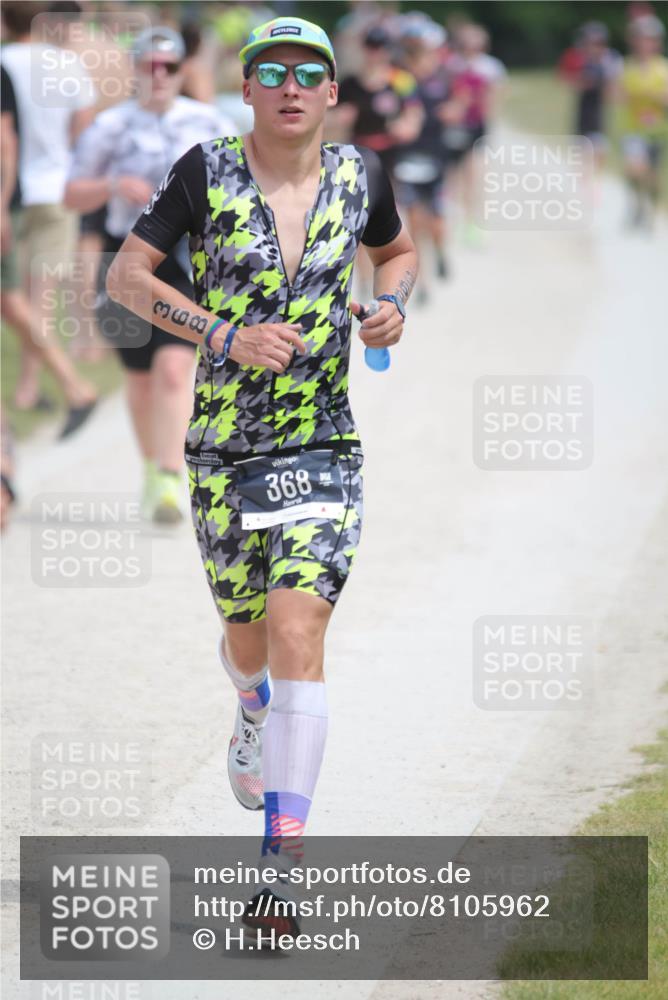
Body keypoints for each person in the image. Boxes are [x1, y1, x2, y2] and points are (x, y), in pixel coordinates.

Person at [106, 15, 417, 936]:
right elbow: (129, 276)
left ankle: (281, 874)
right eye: (269, 71)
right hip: (223, 451)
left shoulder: (364, 177)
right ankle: (249, 707)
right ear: (246, 90)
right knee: (249, 643)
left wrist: (392, 303)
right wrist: (225, 335)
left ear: (330, 92)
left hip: (323, 444)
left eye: (307, 72)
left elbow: (395, 251)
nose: (289, 86)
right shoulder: (206, 170)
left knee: (296, 630)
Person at [65, 27, 234, 523]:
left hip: (184, 262)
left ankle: (168, 472)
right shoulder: (110, 126)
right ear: (135, 70)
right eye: (149, 66)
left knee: (174, 368)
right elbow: (72, 194)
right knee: (138, 380)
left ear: (183, 71)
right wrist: (113, 184)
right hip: (124, 261)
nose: (158, 75)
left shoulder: (207, 121)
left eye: (169, 66)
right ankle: (151, 469)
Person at [1, 0, 96, 412]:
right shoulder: (67, 64)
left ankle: (29, 388)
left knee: (15, 297)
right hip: (57, 187)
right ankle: (29, 386)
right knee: (40, 297)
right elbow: (85, 128)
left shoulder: (4, 61)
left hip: (11, 193)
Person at [617, 13, 668, 229]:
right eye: (640, 39)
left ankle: (649, 209)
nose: (644, 44)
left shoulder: (663, 68)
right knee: (634, 169)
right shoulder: (627, 66)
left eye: (648, 39)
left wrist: (651, 96)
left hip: (657, 129)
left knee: (652, 176)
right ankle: (637, 202)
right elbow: (617, 95)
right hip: (633, 128)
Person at [558, 22, 621, 167]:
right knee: (582, 158)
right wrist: (582, 81)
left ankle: (593, 183)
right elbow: (565, 79)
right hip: (582, 118)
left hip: (599, 118)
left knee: (598, 155)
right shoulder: (579, 59)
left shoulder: (609, 61)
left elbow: (613, 92)